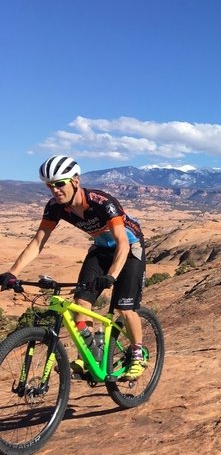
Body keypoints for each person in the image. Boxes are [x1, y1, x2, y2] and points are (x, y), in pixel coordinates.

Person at [0, 155, 147, 381]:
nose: (55, 190)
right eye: (50, 186)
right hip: (100, 248)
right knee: (81, 302)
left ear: (75, 181)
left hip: (128, 249)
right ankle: (88, 354)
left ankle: (137, 353)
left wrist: (111, 276)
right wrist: (13, 272)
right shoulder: (55, 207)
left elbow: (122, 242)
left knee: (124, 307)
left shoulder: (102, 202)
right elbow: (38, 242)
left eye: (60, 184)